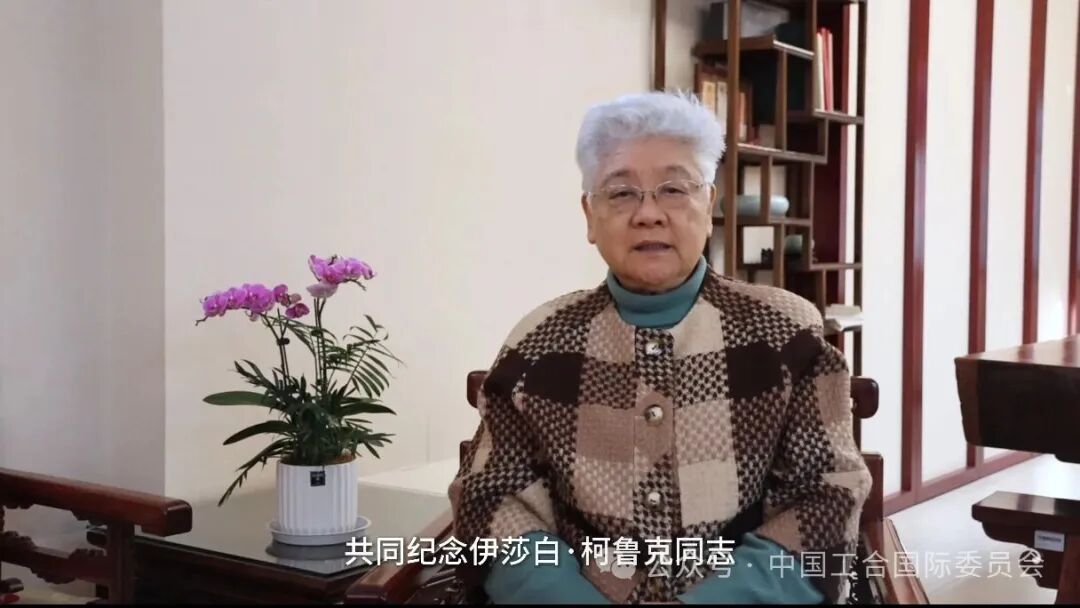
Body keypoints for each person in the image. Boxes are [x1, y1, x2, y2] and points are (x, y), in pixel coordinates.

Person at [448, 90, 872, 604]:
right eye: (621, 193)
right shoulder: (538, 341)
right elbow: (492, 496)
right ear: (589, 215)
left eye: (674, 188)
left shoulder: (786, 332)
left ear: (709, 205)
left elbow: (826, 493)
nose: (648, 213)